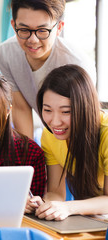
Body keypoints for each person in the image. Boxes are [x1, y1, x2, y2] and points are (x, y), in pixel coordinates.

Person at [0, 0, 96, 140]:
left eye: (42, 30)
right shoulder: (6, 53)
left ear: (59, 28)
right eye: (24, 30)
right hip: (50, 137)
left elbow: (85, 121)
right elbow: (21, 108)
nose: (33, 40)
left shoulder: (78, 64)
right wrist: (28, 155)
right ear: (14, 26)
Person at [26, 64, 108, 220]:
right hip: (95, 220)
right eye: (48, 110)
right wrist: (45, 203)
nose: (55, 122)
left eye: (66, 111)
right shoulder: (50, 136)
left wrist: (68, 207)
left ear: (85, 107)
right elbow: (56, 192)